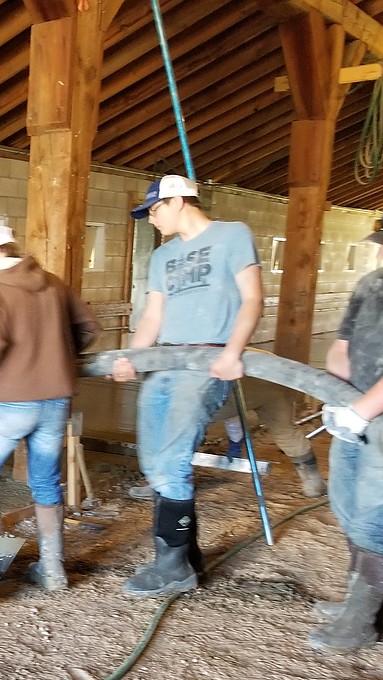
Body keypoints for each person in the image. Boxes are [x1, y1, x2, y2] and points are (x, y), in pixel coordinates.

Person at [109, 175, 264, 598]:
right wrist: (131, 357)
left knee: (172, 461)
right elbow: (153, 319)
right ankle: (187, 556)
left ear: (179, 201)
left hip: (206, 361)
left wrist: (233, 352)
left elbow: (253, 299)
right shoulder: (163, 257)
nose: (152, 219)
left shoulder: (233, 235)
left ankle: (171, 565)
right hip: (165, 362)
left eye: (155, 210)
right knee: (153, 459)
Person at [0, 225, 100, 607]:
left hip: (11, 403)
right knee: (46, 483)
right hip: (55, 401)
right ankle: (53, 570)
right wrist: (54, 357)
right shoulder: (53, 283)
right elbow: (89, 327)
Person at [307, 214, 383, 652]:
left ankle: (361, 620)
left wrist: (360, 409)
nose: (381, 251)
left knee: (378, 516)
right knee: (349, 505)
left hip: (377, 414)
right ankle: (363, 600)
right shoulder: (373, 284)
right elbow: (341, 348)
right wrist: (335, 396)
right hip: (355, 407)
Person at [127, 378, 325, 499]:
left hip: (233, 384)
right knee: (285, 430)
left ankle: (166, 483)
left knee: (178, 426)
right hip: (267, 381)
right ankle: (313, 482)